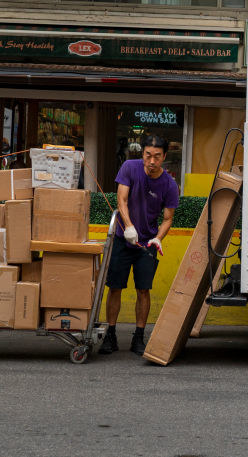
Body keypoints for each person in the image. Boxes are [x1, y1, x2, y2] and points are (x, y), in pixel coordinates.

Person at [100, 135, 180, 355]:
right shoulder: (129, 167)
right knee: (115, 287)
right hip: (122, 239)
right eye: (147, 155)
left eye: (156, 156)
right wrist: (128, 227)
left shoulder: (169, 185)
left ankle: (138, 336)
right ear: (142, 153)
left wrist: (158, 239)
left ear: (164, 156)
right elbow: (121, 200)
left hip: (147, 245)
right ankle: (111, 334)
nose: (151, 161)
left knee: (143, 290)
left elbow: (168, 219)